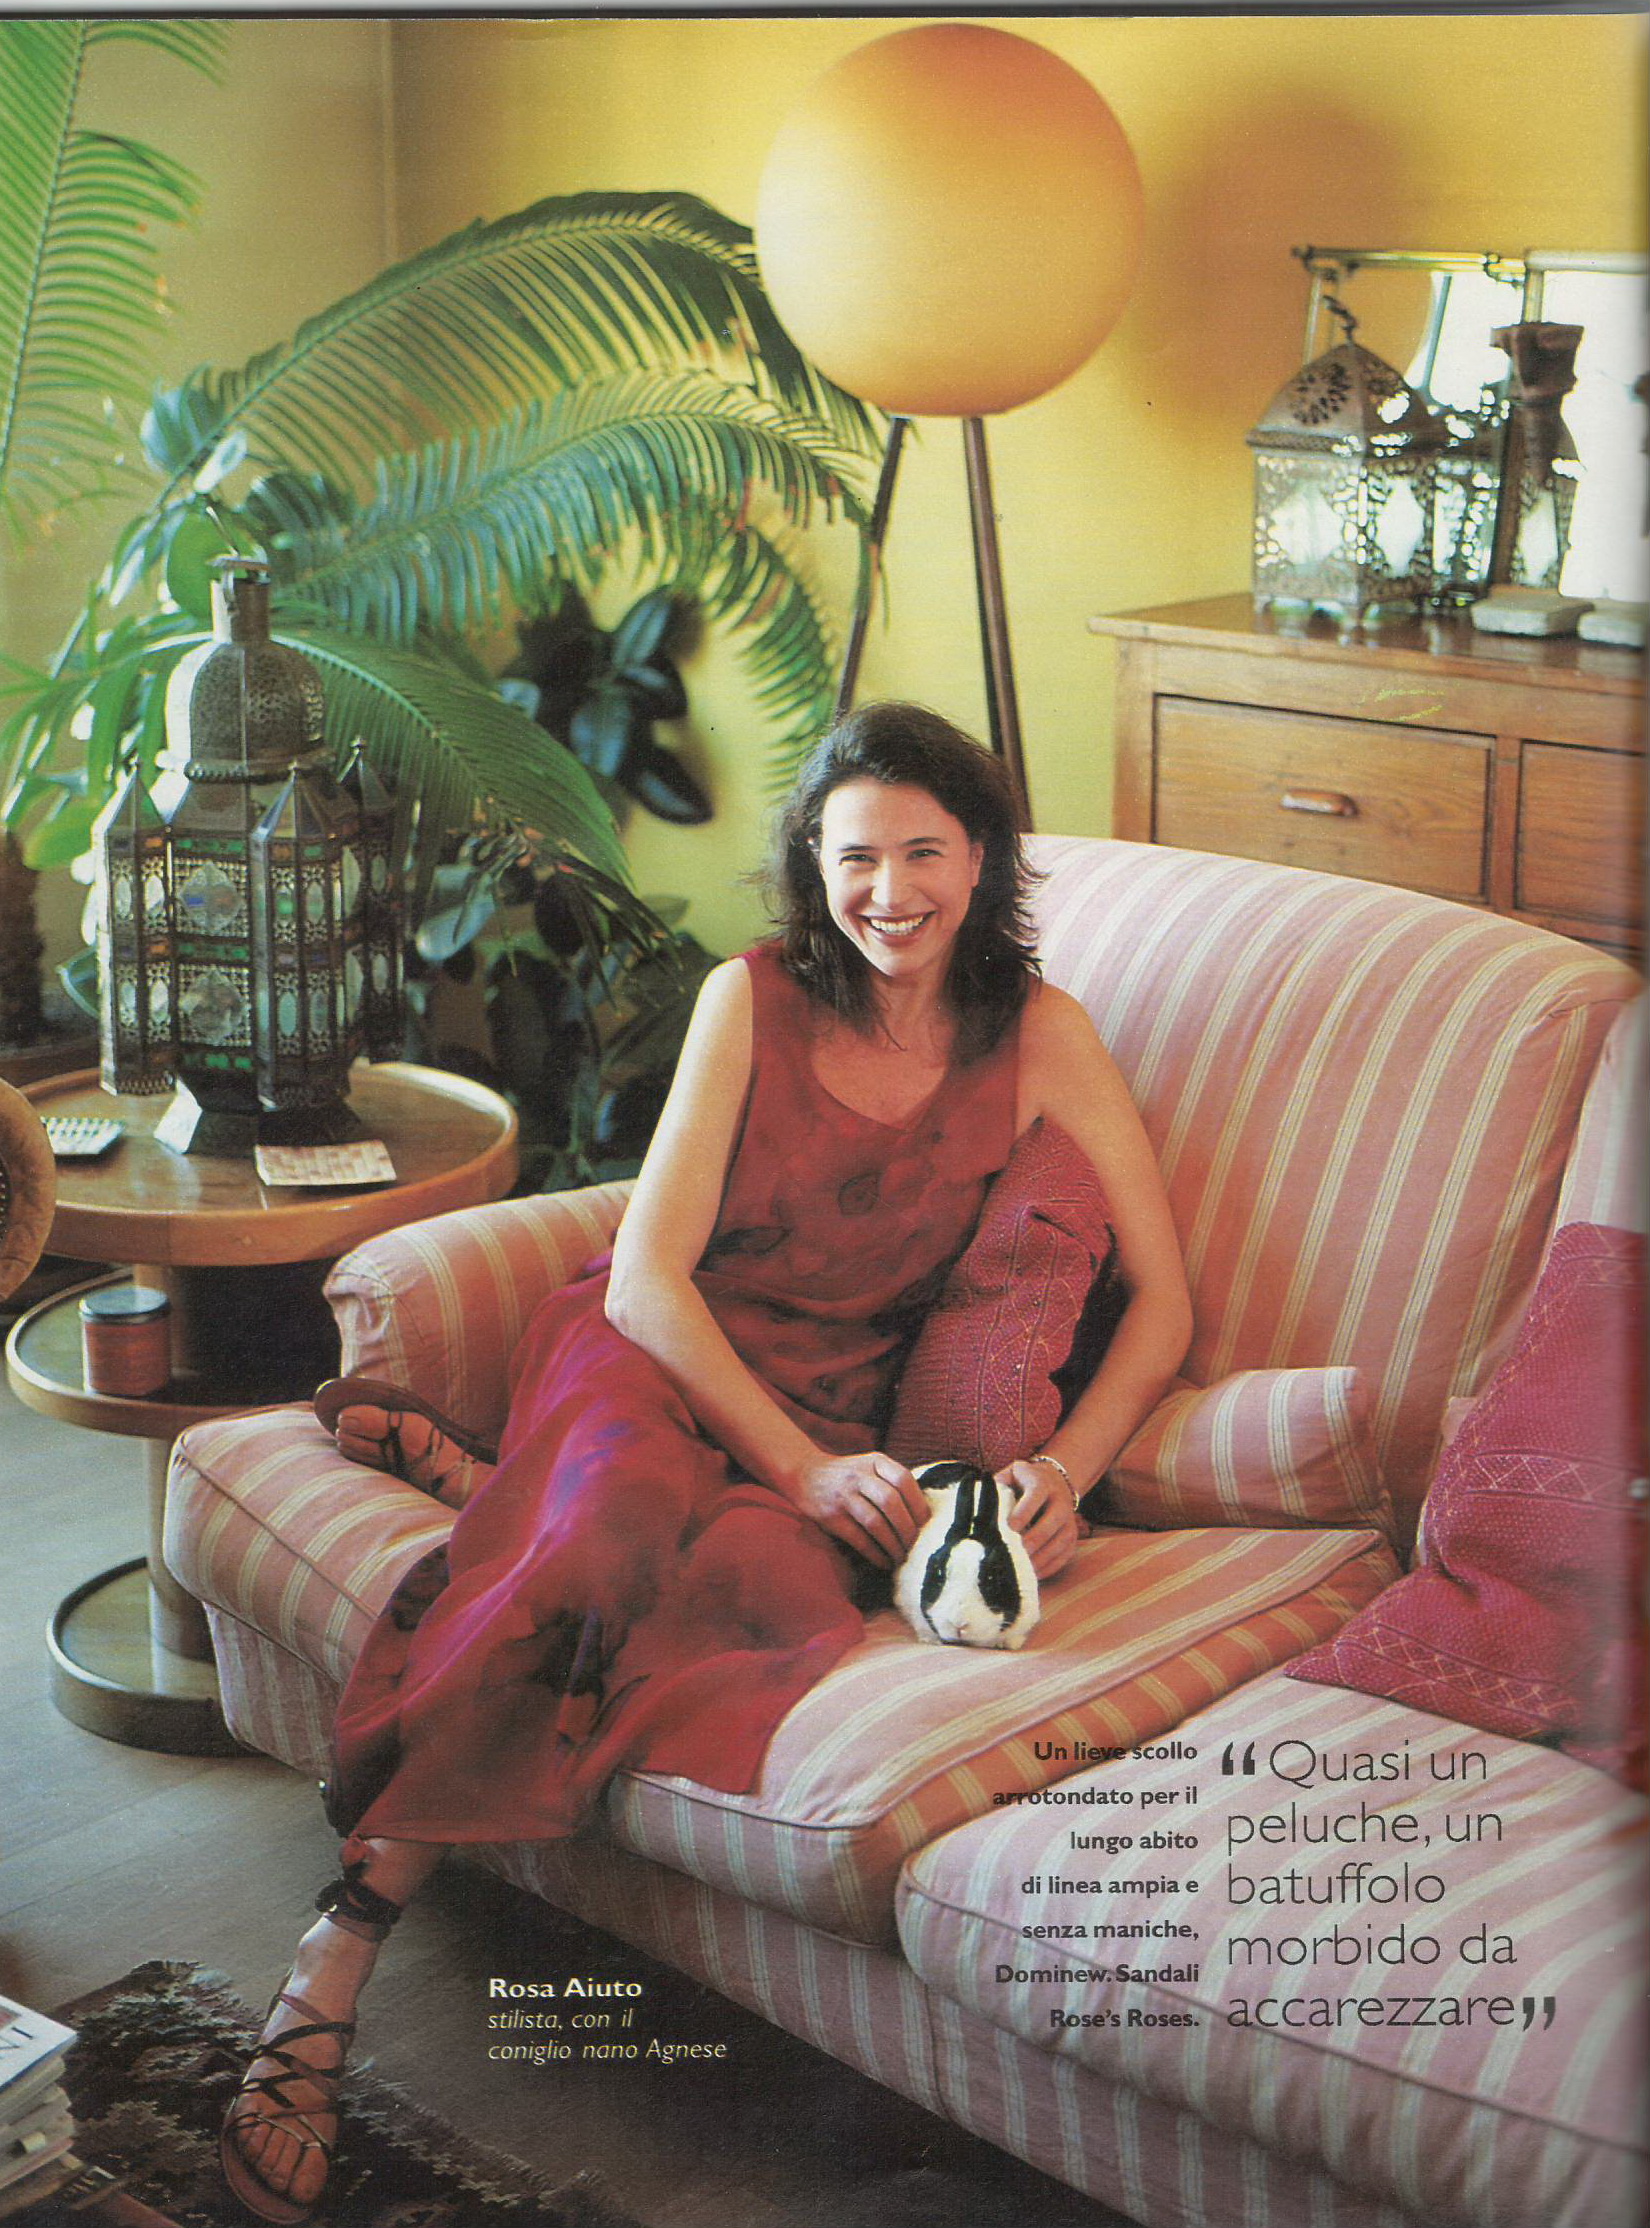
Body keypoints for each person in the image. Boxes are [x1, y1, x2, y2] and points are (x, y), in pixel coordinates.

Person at [219, 702, 1192, 2223]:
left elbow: (1166, 1302)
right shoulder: (753, 998)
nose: (888, 892)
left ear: (986, 857)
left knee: (745, 1600)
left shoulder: (1044, 1034)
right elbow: (645, 1281)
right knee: (608, 1540)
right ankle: (335, 1955)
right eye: (854, 856)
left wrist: (1063, 1470)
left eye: (924, 853)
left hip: (845, 1414)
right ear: (812, 862)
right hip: (664, 1358)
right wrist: (799, 1471)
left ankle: (487, 1490)